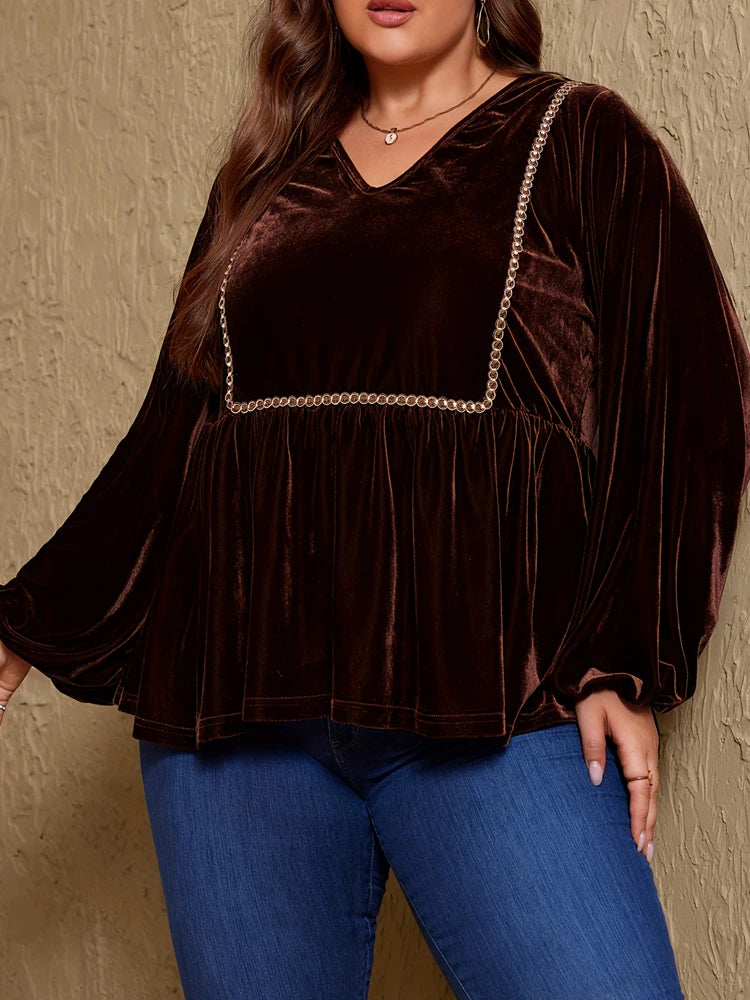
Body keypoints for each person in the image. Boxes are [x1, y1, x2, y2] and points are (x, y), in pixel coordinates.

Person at [1, 0, 749, 997]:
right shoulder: (266, 176)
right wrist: (30, 618)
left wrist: (623, 659)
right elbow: (173, 436)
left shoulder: (578, 137)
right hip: (235, 720)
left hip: (495, 699)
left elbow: (689, 397)